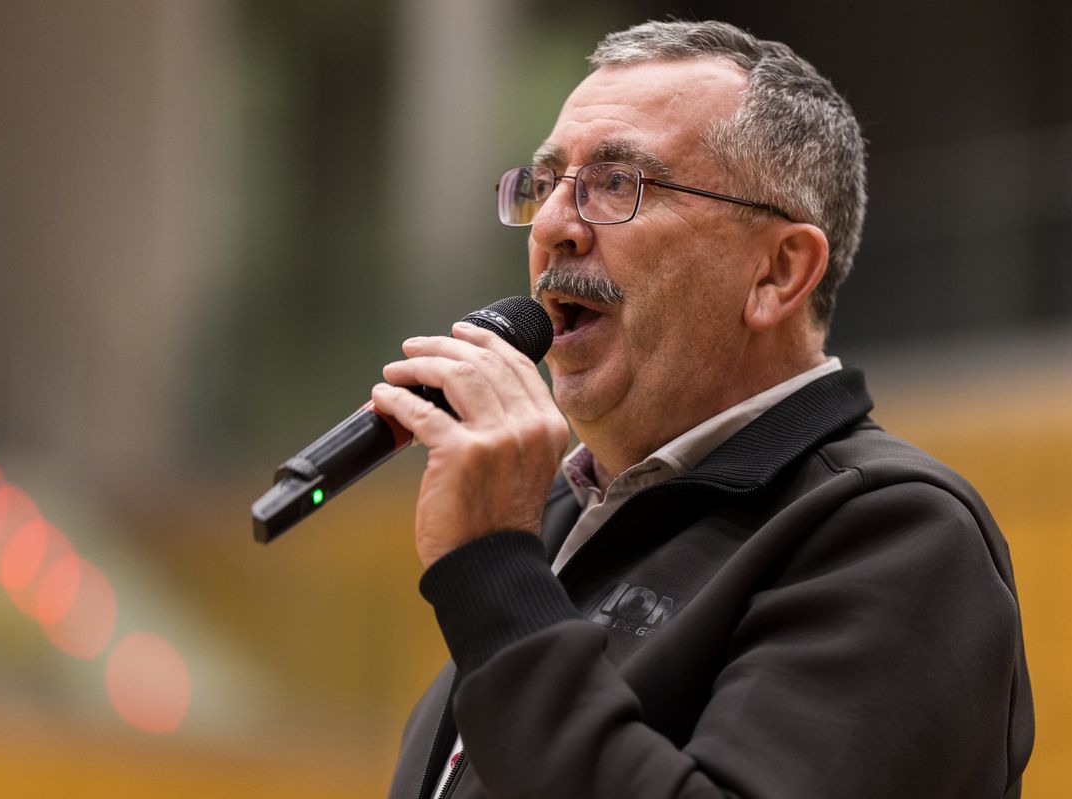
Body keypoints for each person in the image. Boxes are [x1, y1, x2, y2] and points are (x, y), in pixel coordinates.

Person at [372, 19, 1033, 799]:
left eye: (619, 184)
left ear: (778, 274)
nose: (553, 226)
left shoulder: (898, 533)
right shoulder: (548, 520)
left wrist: (495, 574)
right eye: (545, 184)